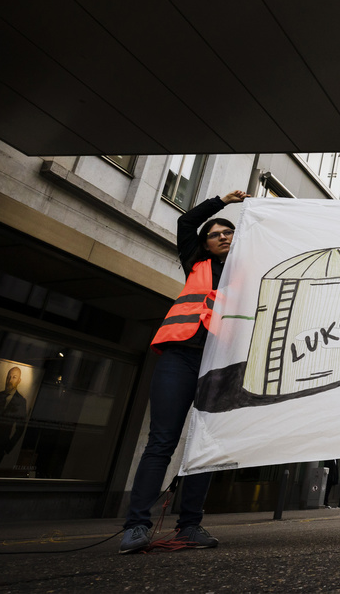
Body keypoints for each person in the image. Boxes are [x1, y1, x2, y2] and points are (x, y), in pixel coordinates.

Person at [120, 189, 249, 554]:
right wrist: (222, 202)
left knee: (205, 444)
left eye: (229, 232)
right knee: (162, 441)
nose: (223, 236)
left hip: (218, 362)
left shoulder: (247, 271)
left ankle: (190, 526)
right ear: (205, 244)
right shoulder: (195, 261)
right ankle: (136, 526)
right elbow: (186, 221)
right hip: (180, 357)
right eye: (215, 234)